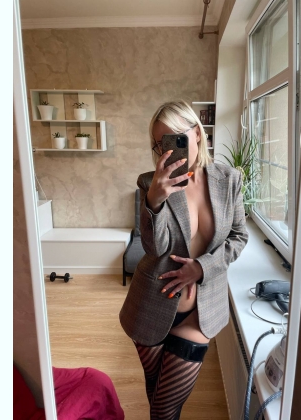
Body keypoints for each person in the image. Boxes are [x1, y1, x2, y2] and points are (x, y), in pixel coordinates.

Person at [119, 100, 249, 420]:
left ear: (197, 134)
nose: (167, 151)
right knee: (157, 396)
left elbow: (238, 237)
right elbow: (155, 248)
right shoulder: (151, 183)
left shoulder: (229, 180)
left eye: (175, 139)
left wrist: (201, 268)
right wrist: (155, 201)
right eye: (159, 144)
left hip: (199, 313)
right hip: (151, 305)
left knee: (164, 408)